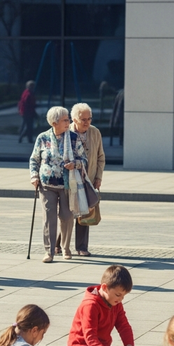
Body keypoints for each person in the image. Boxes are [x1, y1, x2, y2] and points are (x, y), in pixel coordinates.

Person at [29, 106, 84, 262]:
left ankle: (66, 248)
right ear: (54, 123)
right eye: (65, 120)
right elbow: (34, 159)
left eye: (68, 119)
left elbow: (84, 159)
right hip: (47, 185)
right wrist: (34, 176)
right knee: (49, 218)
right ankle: (49, 251)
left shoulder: (73, 138)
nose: (68, 122)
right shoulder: (42, 138)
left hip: (68, 184)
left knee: (67, 217)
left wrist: (75, 164)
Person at [69, 102, 105, 256]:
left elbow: (100, 157)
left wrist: (98, 177)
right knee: (67, 214)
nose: (87, 122)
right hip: (70, 180)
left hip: (88, 179)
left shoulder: (95, 132)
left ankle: (82, 247)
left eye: (89, 119)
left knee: (85, 212)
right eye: (83, 119)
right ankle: (58, 244)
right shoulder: (66, 132)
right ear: (74, 119)